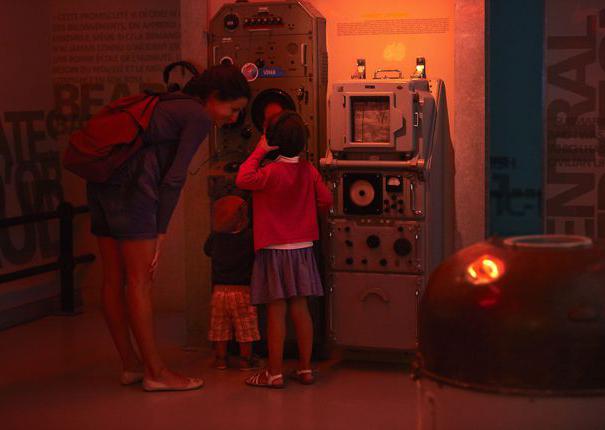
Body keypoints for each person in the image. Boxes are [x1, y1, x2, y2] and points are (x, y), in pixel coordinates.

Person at [87, 64, 251, 392]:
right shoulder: (198, 116)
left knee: (113, 279)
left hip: (101, 182)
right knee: (140, 281)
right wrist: (160, 232)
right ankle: (156, 372)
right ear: (214, 97)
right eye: (232, 109)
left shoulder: (167, 101)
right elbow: (175, 177)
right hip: (135, 190)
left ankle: (131, 365)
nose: (232, 118)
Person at [235, 111, 333, 388]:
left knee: (275, 311)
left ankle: (274, 373)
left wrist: (258, 150)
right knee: (301, 309)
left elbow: (242, 178)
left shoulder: (268, 172)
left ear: (271, 140)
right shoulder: (309, 171)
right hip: (302, 249)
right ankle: (305, 369)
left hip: (273, 249)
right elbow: (326, 199)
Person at [204, 195, 260, 370]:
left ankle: (221, 359)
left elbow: (207, 251)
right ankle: (245, 359)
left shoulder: (215, 237)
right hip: (242, 291)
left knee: (219, 327)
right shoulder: (250, 237)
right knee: (245, 327)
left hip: (219, 292)